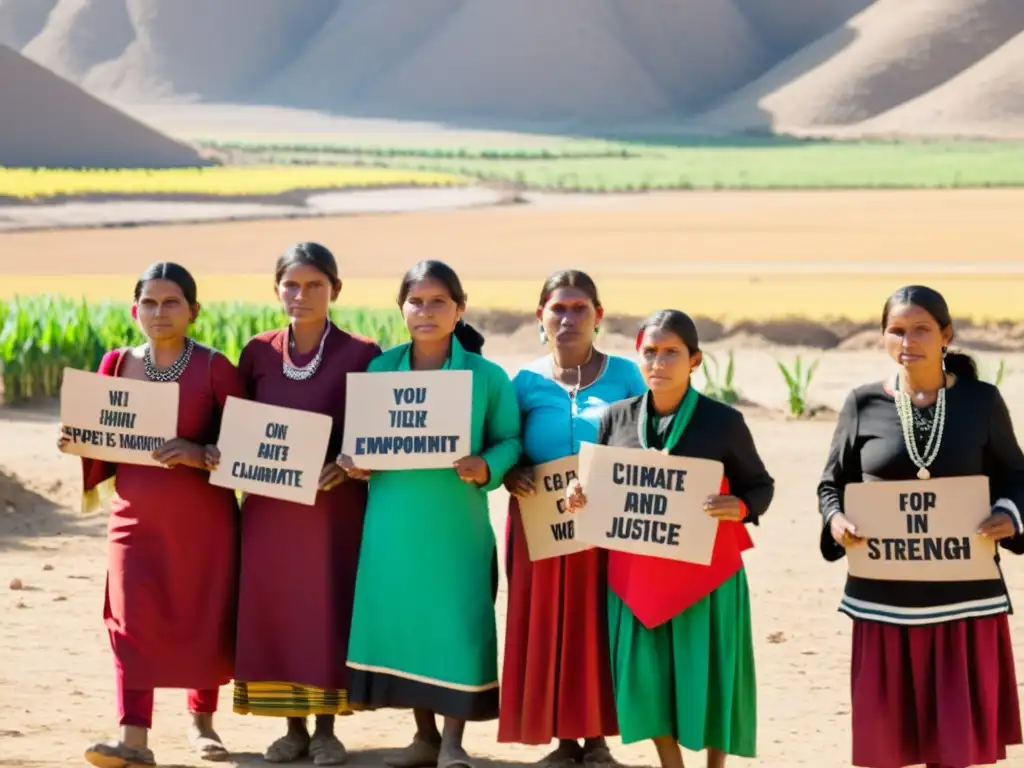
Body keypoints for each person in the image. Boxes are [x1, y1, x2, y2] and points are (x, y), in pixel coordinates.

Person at [817, 285, 1024, 768]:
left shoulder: (981, 401)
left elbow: (1017, 475)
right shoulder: (862, 403)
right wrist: (837, 521)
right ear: (884, 337)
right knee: (886, 744)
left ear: (946, 334)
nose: (908, 340)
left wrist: (1010, 514)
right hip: (883, 599)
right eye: (897, 330)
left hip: (962, 596)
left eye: (921, 329)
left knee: (951, 747)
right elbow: (832, 485)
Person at [565, 309, 774, 768]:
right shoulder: (614, 419)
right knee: (646, 682)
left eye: (671, 353)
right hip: (636, 578)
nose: (659, 363)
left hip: (708, 576)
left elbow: (760, 486)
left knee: (714, 676)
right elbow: (595, 487)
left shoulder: (722, 421)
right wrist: (577, 493)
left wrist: (739, 507)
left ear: (695, 359)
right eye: (650, 353)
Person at [339, 260, 522, 768]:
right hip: (392, 525)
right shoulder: (379, 371)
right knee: (407, 624)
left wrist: (487, 464)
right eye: (416, 301)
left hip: (455, 527)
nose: (426, 311)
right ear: (401, 309)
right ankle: (422, 737)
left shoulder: (486, 376)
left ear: (459, 309)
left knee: (456, 623)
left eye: (438, 301)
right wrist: (356, 463)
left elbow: (510, 439)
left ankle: (453, 743)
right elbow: (363, 444)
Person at [59, 262, 242, 767]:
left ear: (194, 310)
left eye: (171, 302)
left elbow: (246, 446)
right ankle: (133, 737)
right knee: (128, 619)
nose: (159, 312)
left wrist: (198, 450)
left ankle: (202, 722)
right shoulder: (116, 365)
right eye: (149, 302)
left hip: (203, 523)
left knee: (202, 613)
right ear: (134, 308)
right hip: (133, 519)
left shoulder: (214, 368)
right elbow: (103, 441)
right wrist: (80, 440)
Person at [232, 242, 381, 766]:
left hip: (333, 509)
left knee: (326, 607)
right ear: (277, 290)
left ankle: (326, 730)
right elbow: (237, 424)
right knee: (280, 609)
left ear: (335, 290)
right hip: (270, 510)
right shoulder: (256, 352)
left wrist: (346, 463)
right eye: (291, 285)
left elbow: (378, 428)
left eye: (314, 285)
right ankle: (291, 729)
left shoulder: (362, 353)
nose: (301, 295)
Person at [499, 270, 644, 764]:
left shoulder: (626, 376)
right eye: (557, 308)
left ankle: (599, 740)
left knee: (598, 624)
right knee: (550, 626)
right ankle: (562, 741)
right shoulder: (523, 382)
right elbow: (506, 444)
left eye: (580, 308)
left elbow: (646, 443)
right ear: (540, 316)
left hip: (607, 526)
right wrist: (510, 471)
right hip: (540, 523)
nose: (568, 318)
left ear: (598, 316)